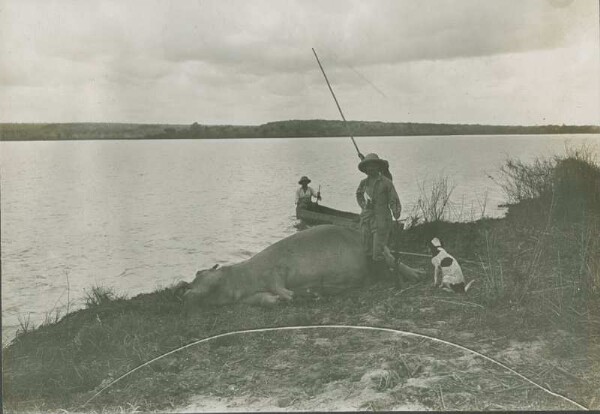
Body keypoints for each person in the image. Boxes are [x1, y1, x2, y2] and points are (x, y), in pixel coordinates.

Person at [356, 153, 401, 280]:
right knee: (367, 249)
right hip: (366, 220)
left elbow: (394, 199)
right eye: (368, 167)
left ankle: (382, 276)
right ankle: (372, 276)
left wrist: (396, 211)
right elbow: (359, 195)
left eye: (373, 166)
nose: (371, 169)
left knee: (378, 250)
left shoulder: (386, 183)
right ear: (365, 170)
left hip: (381, 220)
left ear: (378, 167)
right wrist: (364, 205)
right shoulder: (363, 183)